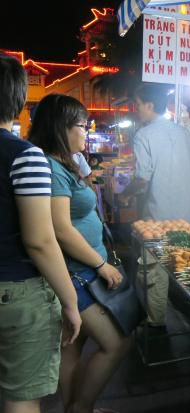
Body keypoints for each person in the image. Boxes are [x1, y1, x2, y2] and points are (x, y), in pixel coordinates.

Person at [29, 94, 129, 413]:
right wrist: (101, 265)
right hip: (79, 274)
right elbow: (60, 229)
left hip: (80, 271)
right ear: (61, 127)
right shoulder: (52, 167)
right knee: (117, 343)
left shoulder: (63, 163)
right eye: (81, 125)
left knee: (72, 349)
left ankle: (72, 407)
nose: (87, 132)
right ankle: (81, 407)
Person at [0, 53, 81, 413]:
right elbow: (40, 239)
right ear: (19, 97)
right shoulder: (24, 155)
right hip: (16, 294)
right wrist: (70, 300)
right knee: (20, 395)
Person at [121, 84, 190, 222]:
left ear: (150, 106)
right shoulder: (184, 132)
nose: (136, 109)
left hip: (159, 218)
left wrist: (125, 194)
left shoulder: (143, 135)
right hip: (189, 215)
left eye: (138, 104)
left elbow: (142, 179)